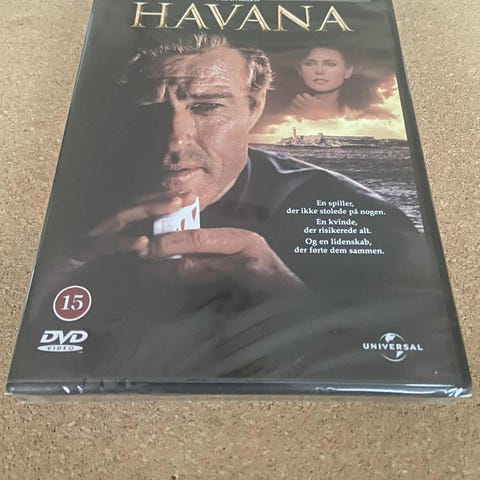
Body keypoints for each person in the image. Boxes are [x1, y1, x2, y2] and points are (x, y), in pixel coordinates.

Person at [25, 33, 436, 380]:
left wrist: (287, 297)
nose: (175, 140)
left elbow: (419, 364)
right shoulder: (58, 203)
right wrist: (38, 291)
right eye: (150, 109)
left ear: (254, 107)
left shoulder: (361, 215)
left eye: (207, 107)